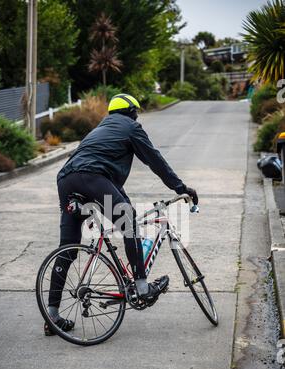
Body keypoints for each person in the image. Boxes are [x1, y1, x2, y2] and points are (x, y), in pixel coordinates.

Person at [45, 93, 198, 335]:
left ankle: (51, 316)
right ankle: (142, 287)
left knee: (68, 249)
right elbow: (155, 160)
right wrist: (181, 188)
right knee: (129, 223)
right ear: (132, 112)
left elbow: (105, 174)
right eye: (137, 113)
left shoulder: (100, 129)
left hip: (66, 180)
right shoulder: (131, 127)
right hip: (92, 178)